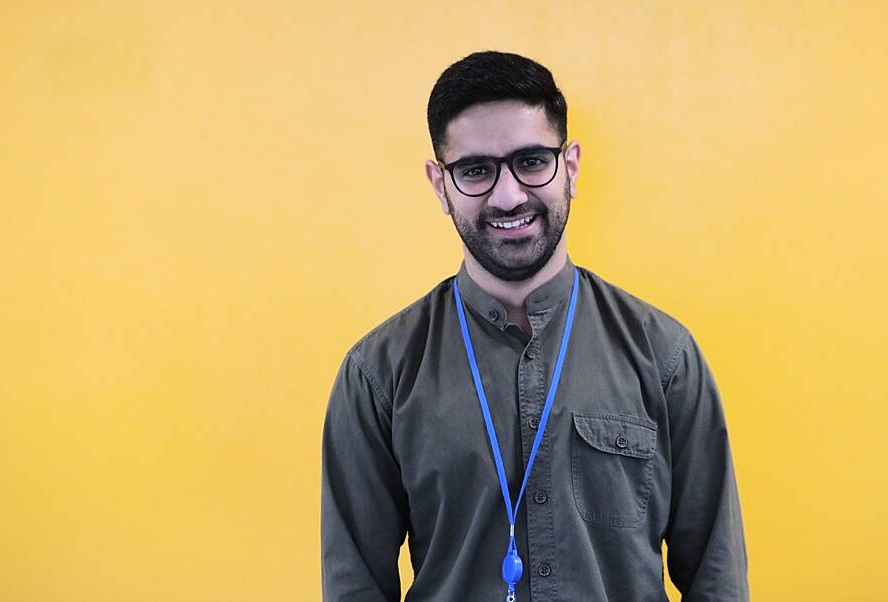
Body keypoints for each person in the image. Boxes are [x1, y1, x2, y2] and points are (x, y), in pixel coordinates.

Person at [321, 50, 749, 601]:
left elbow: (718, 579)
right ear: (439, 184)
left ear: (569, 166)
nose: (508, 195)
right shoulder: (378, 374)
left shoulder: (665, 356)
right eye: (475, 170)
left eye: (531, 161)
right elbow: (354, 587)